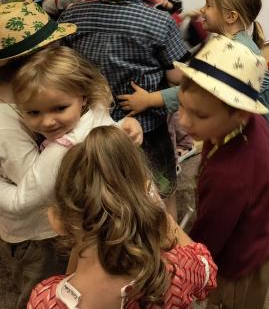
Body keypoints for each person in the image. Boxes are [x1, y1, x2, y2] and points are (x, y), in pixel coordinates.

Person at [118, 0, 269, 184]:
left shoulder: (233, 50)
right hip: (246, 108)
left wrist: (149, 99)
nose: (203, 9)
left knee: (254, 164)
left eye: (209, 5)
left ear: (230, 16)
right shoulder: (228, 39)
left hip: (254, 114)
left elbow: (197, 90)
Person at [57, 0, 190, 211]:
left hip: (92, 129)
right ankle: (169, 237)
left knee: (109, 196)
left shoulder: (72, 16)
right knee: (162, 191)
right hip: (147, 129)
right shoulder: (159, 21)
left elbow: (63, 69)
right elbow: (178, 76)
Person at [0, 44, 142, 309]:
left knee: (44, 292)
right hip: (105, 224)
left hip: (63, 232)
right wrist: (127, 125)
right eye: (33, 112)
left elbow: (21, 202)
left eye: (59, 108)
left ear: (82, 96)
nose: (47, 122)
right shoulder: (95, 111)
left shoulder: (62, 148)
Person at [26, 126, 217, 308]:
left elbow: (69, 277)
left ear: (56, 220)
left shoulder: (44, 299)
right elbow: (207, 268)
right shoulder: (176, 275)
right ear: (145, 203)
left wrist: (81, 235)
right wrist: (163, 218)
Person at [176, 34, 269, 309]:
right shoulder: (244, 123)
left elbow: (208, 239)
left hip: (241, 266)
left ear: (240, 113)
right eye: (181, 105)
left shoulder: (228, 177)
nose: (183, 121)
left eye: (200, 115)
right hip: (264, 233)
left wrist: (188, 264)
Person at [0, 2, 77, 309]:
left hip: (51, 223)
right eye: (52, 49)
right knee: (41, 293)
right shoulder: (6, 120)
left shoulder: (25, 101)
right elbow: (34, 184)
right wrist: (70, 140)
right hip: (38, 233)